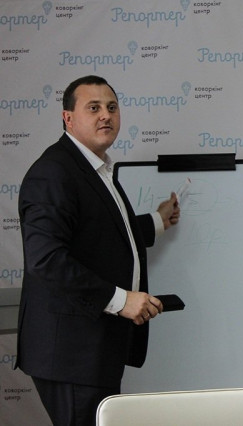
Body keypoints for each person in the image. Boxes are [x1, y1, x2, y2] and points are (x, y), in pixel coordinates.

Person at [16, 75, 180, 425]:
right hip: (72, 354)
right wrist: (122, 300)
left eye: (111, 107)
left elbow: (101, 232)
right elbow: (46, 260)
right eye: (93, 108)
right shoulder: (54, 172)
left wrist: (157, 221)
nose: (106, 115)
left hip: (91, 349)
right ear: (68, 118)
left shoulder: (94, 168)